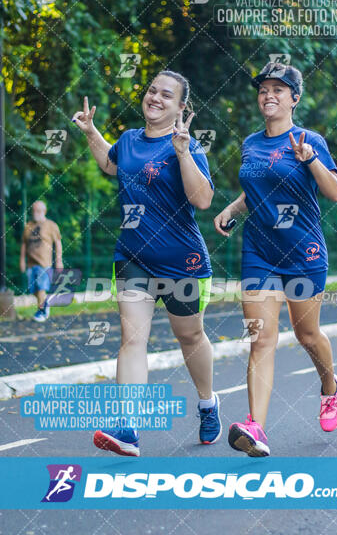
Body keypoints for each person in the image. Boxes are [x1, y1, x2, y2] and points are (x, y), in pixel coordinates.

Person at [72, 71, 222, 457]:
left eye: (166, 95)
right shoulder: (129, 140)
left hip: (182, 261)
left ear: (180, 107)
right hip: (133, 257)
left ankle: (207, 403)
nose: (155, 97)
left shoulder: (185, 146)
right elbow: (111, 164)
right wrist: (90, 131)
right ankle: (128, 428)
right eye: (152, 89)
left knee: (189, 337)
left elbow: (202, 200)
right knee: (132, 340)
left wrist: (184, 152)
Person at [214, 61, 337, 457]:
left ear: (294, 98)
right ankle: (256, 428)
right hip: (259, 252)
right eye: (263, 89)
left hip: (303, 252)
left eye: (278, 89)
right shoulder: (251, 143)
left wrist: (309, 160)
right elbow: (255, 192)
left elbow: (335, 192)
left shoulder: (310, 139)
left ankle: (329, 387)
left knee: (307, 335)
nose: (268, 95)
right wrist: (233, 210)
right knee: (261, 339)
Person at [20, 200, 63, 322]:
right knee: (33, 289)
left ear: (44, 211)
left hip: (44, 263)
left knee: (41, 287)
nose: (35, 213)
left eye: (38, 210)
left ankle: (42, 311)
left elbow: (58, 243)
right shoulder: (28, 226)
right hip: (30, 264)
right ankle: (45, 305)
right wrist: (22, 261)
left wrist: (59, 260)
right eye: (33, 210)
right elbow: (24, 244)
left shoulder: (51, 225)